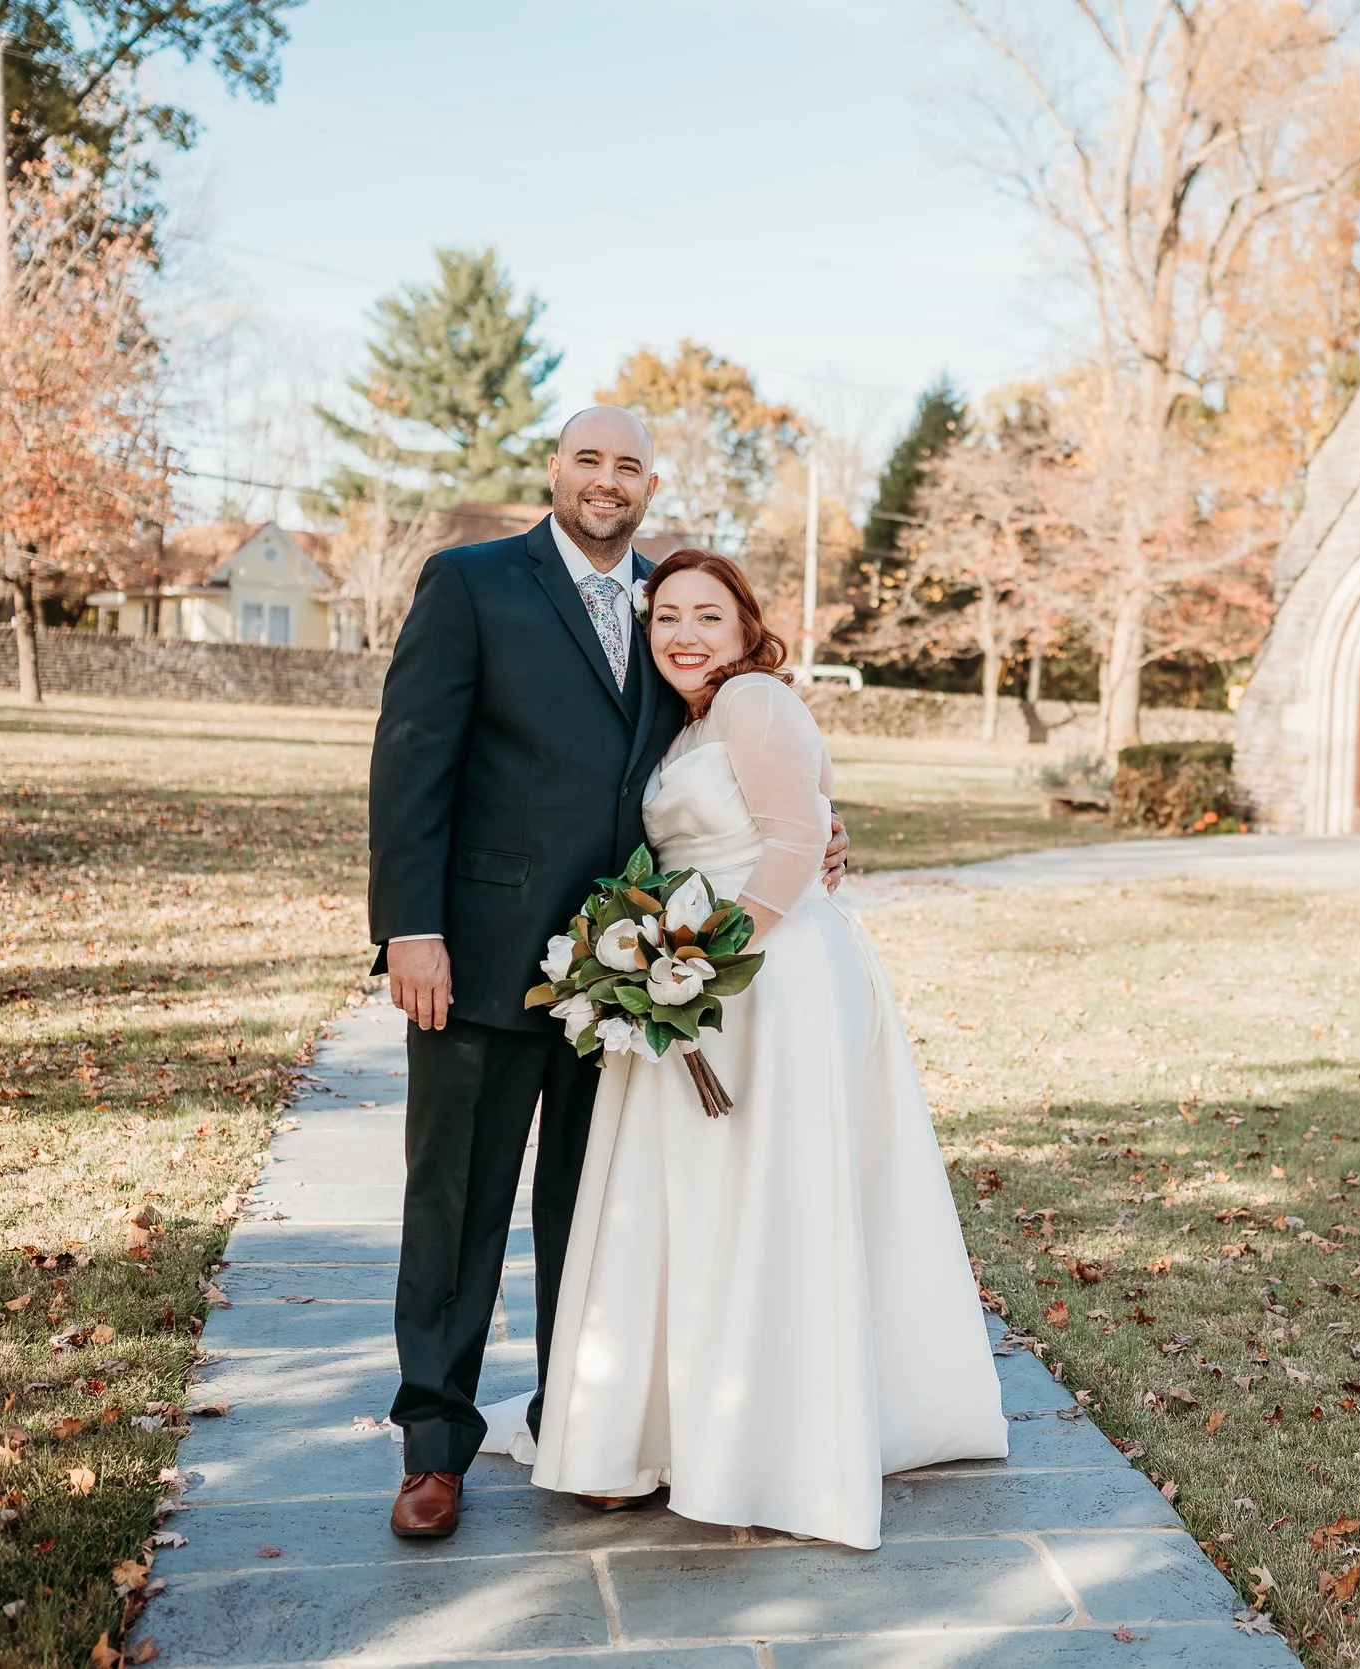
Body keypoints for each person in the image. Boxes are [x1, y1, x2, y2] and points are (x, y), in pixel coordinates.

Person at [366, 409, 851, 1539]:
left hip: (622, 978)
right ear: (556, 469)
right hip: (478, 961)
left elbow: (735, 752)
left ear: (647, 485)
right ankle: (434, 1448)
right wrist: (409, 928)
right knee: (455, 1206)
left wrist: (819, 829)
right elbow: (411, 759)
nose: (607, 480)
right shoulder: (471, 581)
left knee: (599, 1218)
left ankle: (582, 1424)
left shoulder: (670, 612)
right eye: (589, 458)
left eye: (628, 465)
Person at [477, 548, 1007, 1549]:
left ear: (744, 626)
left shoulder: (756, 701)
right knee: (693, 1204)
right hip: (693, 975)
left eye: (706, 616)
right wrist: (658, 965)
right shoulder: (680, 723)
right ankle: (666, 1428)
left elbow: (799, 842)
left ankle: (774, 1438)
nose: (684, 632)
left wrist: (704, 960)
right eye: (666, 615)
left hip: (770, 978)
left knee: (768, 1199)